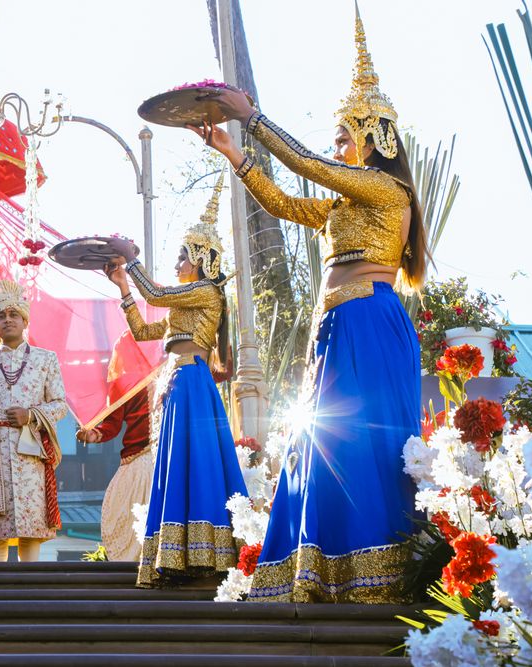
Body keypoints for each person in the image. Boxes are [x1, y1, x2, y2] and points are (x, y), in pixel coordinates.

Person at [195, 8, 426, 603]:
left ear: (375, 137)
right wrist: (232, 152)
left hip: (369, 321)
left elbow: (305, 164)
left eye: (346, 134)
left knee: (362, 444)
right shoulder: (341, 207)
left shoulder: (384, 188)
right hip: (335, 329)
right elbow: (278, 199)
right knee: (322, 446)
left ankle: (376, 576)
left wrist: (255, 119)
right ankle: (324, 570)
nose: (338, 144)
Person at [105, 174, 248, 588]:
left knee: (195, 463)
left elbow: (153, 294)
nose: (177, 265)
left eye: (182, 258)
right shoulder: (188, 301)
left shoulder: (205, 293)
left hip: (190, 383)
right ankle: (183, 552)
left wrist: (130, 259)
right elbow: (143, 331)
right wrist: (122, 287)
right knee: (178, 465)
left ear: (202, 260)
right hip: (176, 385)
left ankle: (204, 551)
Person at [0, 281, 68, 563]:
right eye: (1, 315)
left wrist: (31, 415)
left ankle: (32, 593)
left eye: (13, 315)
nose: (7, 320)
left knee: (30, 524)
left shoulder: (45, 359)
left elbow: (60, 404)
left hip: (31, 452)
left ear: (25, 321)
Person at [75, 332, 157, 562]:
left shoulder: (175, 370)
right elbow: (111, 423)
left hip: (173, 456)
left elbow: (219, 373)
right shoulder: (123, 381)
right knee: (127, 519)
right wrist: (94, 435)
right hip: (138, 459)